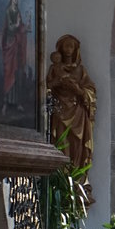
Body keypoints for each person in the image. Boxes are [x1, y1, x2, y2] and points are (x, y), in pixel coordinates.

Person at [46, 34, 97, 175]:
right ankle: (62, 176)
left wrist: (78, 90)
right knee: (62, 143)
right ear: (60, 49)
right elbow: (46, 88)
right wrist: (58, 82)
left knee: (77, 145)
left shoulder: (80, 70)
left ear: (75, 49)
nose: (68, 49)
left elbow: (90, 90)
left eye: (71, 46)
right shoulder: (54, 68)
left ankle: (75, 178)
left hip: (77, 113)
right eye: (66, 46)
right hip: (60, 110)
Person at [1, 0, 30, 114]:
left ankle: (17, 102)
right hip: (10, 45)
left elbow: (20, 27)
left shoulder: (17, 11)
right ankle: (6, 102)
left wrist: (25, 27)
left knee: (17, 73)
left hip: (16, 47)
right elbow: (10, 28)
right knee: (8, 72)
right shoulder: (8, 11)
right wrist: (18, 25)